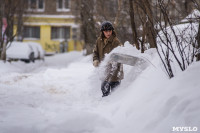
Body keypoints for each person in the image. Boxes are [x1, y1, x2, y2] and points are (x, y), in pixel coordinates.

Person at [93, 21, 124, 97]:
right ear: (103, 31)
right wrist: (95, 60)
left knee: (115, 95)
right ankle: (104, 108)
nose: (108, 33)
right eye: (106, 31)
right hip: (104, 73)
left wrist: (112, 60)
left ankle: (115, 108)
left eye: (110, 31)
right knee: (104, 92)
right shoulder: (99, 41)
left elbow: (121, 55)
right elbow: (95, 52)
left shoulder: (116, 42)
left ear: (112, 31)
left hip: (115, 74)